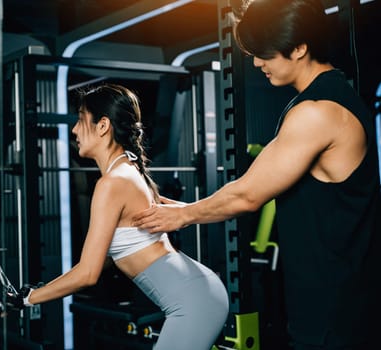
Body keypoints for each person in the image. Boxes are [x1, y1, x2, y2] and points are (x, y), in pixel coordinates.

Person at [132, 0, 381, 349]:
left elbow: (247, 195)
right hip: (332, 304)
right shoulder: (328, 98)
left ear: (299, 48)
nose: (257, 61)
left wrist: (183, 216)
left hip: (336, 315)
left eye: (264, 53)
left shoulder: (318, 112)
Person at [8, 83, 229, 350]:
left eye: (80, 120)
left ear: (102, 126)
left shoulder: (112, 183)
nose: (75, 129)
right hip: (199, 292)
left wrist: (30, 299)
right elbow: (103, 261)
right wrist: (44, 289)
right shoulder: (128, 170)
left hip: (194, 303)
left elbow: (88, 274)